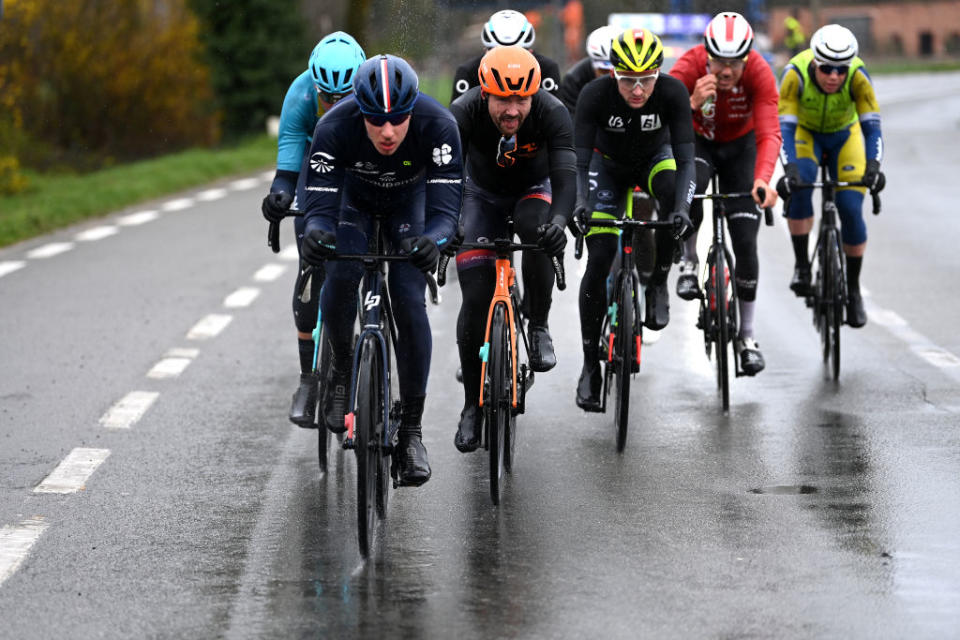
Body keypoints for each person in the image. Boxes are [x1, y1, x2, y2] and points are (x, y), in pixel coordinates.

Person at [300, 54, 464, 486]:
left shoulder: (439, 124)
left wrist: (435, 242)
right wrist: (316, 234)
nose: (387, 132)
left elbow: (448, 214)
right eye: (375, 121)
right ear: (360, 112)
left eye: (397, 120)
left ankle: (411, 431)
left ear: (412, 108)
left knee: (410, 300)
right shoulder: (334, 127)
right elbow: (318, 209)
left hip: (411, 204)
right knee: (338, 280)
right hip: (352, 203)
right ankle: (340, 368)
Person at [448, 46, 576, 451]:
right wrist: (449, 225)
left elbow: (566, 176)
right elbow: (445, 179)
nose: (512, 109)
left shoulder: (552, 112)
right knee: (476, 297)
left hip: (532, 191)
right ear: (484, 93)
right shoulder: (462, 113)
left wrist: (558, 223)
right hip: (480, 195)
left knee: (536, 229)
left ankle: (538, 324)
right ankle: (471, 405)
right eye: (503, 98)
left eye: (521, 99)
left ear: (534, 95)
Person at [573, 28, 696, 411]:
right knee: (599, 256)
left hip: (653, 162)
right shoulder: (594, 95)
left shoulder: (673, 92)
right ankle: (590, 366)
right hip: (605, 167)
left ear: (659, 74)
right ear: (613, 73)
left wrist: (682, 209)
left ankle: (657, 282)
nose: (638, 90)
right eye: (628, 80)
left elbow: (688, 159)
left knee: (672, 202)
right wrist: (579, 202)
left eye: (646, 80)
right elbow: (577, 162)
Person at [259, 31, 366, 428]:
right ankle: (308, 377)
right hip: (316, 160)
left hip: (359, 160)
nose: (336, 105)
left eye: (345, 98)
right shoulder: (302, 93)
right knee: (312, 265)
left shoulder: (372, 88)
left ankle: (356, 359)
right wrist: (280, 194)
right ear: (316, 87)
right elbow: (289, 156)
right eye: (328, 98)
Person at [668, 12, 781, 375]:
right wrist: (688, 104)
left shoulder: (760, 73)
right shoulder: (689, 65)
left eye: (734, 62)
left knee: (746, 240)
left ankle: (747, 336)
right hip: (699, 144)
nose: (726, 70)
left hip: (741, 149)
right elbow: (657, 118)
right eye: (719, 61)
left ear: (748, 56)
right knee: (689, 190)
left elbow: (769, 134)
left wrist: (763, 180)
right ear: (706, 54)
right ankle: (688, 259)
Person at [777, 24, 884, 328]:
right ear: (814, 61)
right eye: (826, 68)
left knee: (850, 207)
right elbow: (784, 127)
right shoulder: (794, 74)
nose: (834, 76)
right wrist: (790, 168)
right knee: (800, 187)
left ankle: (853, 289)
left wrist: (874, 166)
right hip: (805, 134)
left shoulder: (858, 76)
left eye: (841, 69)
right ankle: (801, 266)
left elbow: (872, 127)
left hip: (844, 136)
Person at [450, 9, 562, 103]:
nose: (507, 64)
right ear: (486, 51)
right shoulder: (468, 73)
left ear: (530, 52)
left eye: (517, 55)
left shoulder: (547, 69)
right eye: (498, 56)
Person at [557, 25, 618, 117]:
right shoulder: (574, 80)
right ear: (593, 65)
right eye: (604, 71)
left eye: (617, 72)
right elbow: (572, 120)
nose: (611, 75)